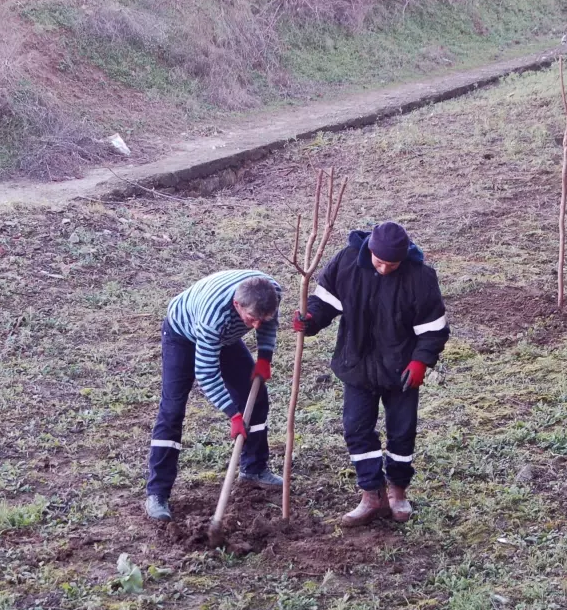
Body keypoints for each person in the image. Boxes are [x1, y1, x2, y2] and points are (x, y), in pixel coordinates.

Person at [293, 221, 449, 525]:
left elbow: (434, 329)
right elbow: (325, 302)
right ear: (370, 251)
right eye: (380, 262)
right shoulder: (347, 261)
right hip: (358, 363)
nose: (385, 269)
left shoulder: (420, 277)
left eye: (393, 264)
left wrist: (421, 361)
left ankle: (398, 492)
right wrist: (310, 320)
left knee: (402, 432)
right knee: (356, 428)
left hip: (402, 369)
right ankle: (371, 494)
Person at [145, 271, 284, 521]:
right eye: (251, 319)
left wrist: (265, 356)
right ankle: (157, 493)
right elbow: (206, 373)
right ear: (236, 305)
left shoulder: (272, 292)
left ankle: (254, 468)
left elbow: (268, 322)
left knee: (257, 396)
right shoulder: (213, 318)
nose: (255, 326)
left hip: (227, 337)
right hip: (182, 334)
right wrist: (233, 415)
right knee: (173, 409)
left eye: (261, 319)